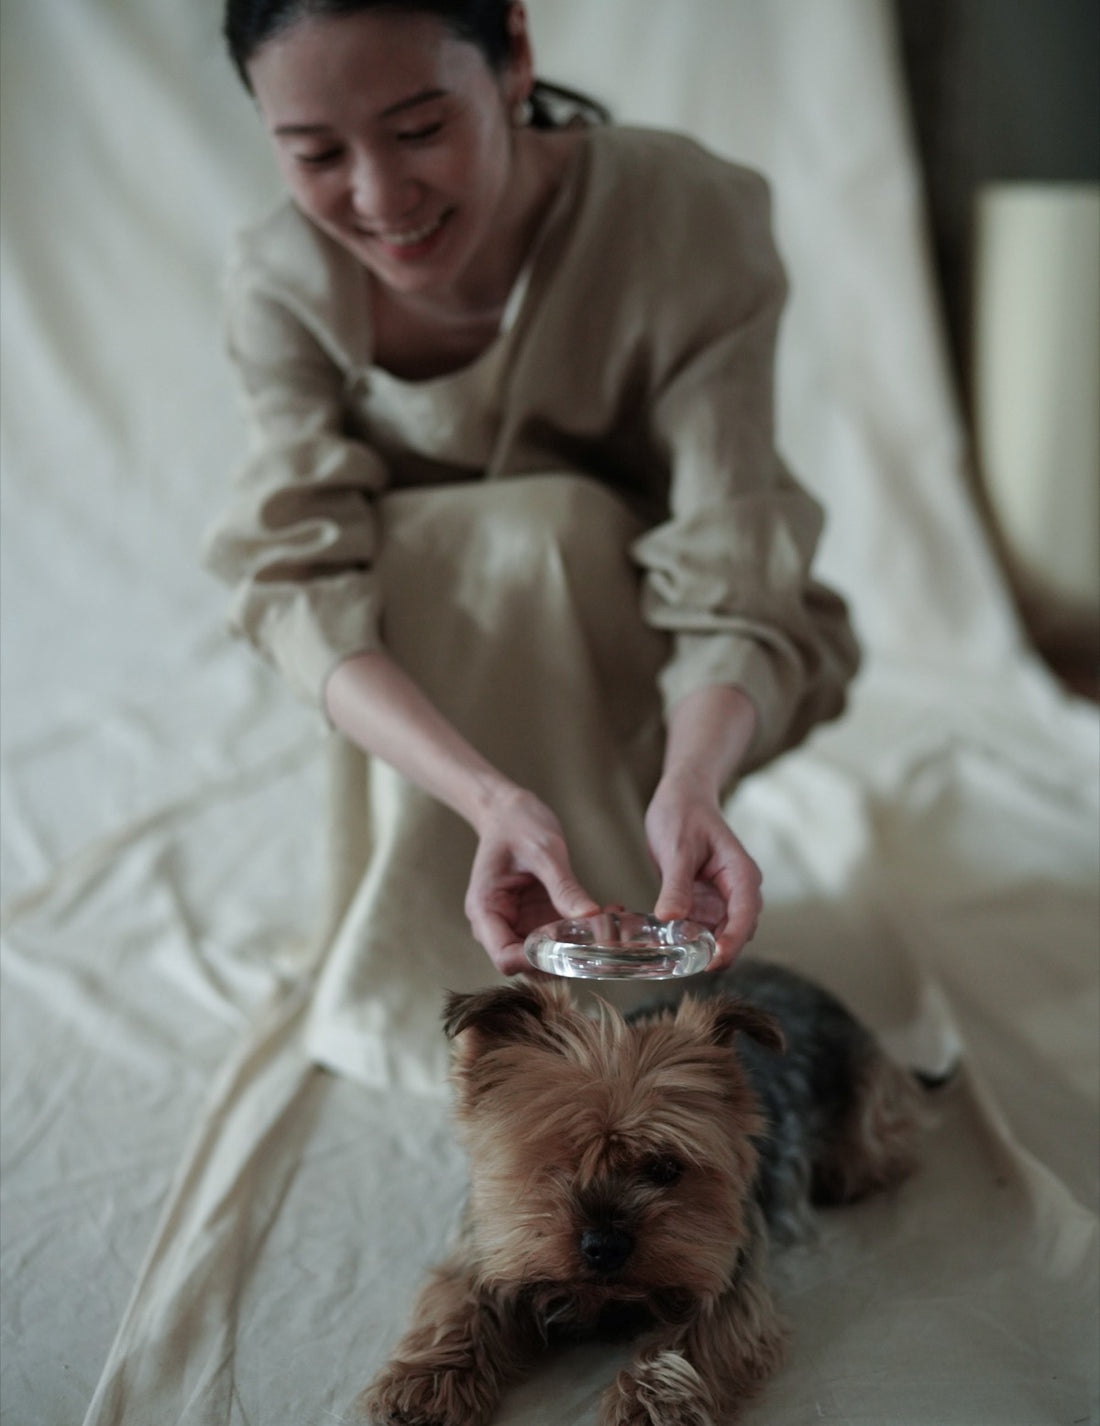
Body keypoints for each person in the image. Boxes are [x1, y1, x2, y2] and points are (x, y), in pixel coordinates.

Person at [205, 0, 859, 1058]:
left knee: (534, 524)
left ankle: (626, 977)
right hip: (429, 698)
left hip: (657, 672)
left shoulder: (685, 213)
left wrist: (690, 784)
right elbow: (297, 589)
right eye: (317, 152)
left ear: (514, 54)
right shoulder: (280, 281)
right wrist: (487, 798)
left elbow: (731, 552)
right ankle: (453, 982)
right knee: (438, 543)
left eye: (420, 128)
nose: (379, 196)